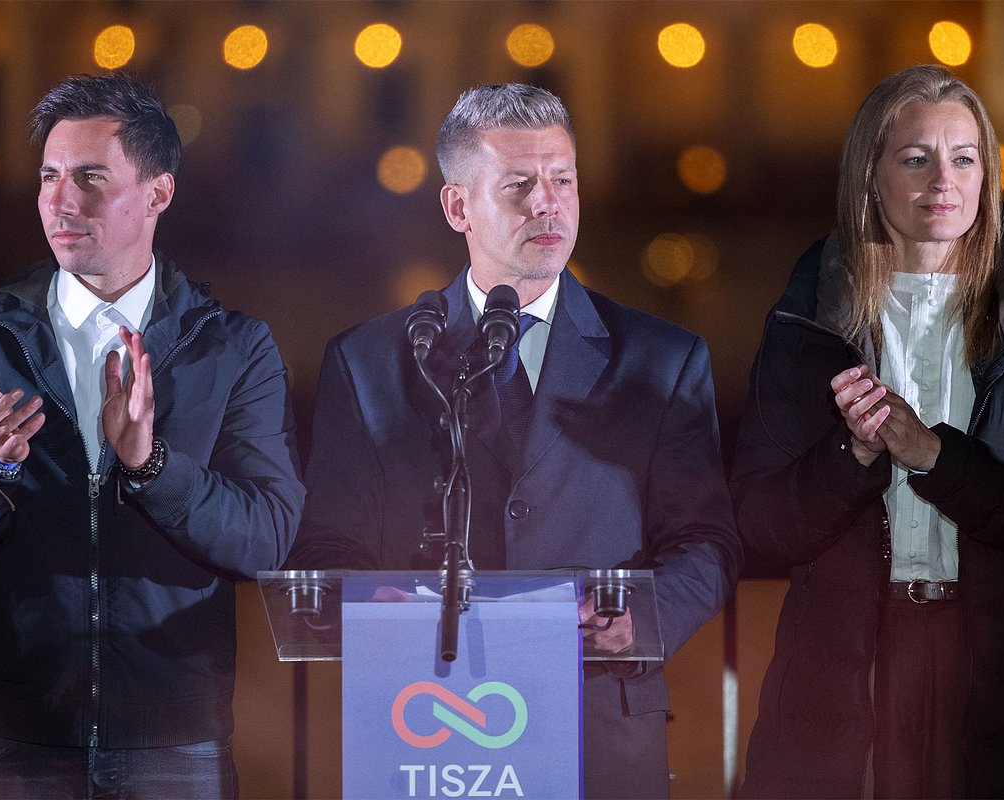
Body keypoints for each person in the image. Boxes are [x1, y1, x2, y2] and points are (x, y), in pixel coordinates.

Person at [290, 83, 741, 799]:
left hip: (600, 725)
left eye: (563, 180)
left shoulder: (662, 358)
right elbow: (327, 545)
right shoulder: (369, 362)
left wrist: (642, 618)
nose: (547, 204)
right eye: (520, 185)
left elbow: (707, 541)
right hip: (427, 727)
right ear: (458, 207)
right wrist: (375, 606)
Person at [0, 72, 305, 798]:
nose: (60, 200)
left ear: (158, 193)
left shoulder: (234, 348)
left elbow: (266, 540)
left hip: (177, 742)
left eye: (90, 177)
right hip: (15, 741)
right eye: (49, 176)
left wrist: (152, 466)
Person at [731, 65, 1004, 799]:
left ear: (988, 176)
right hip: (844, 671)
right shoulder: (806, 326)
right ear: (870, 174)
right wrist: (854, 454)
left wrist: (937, 457)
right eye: (915, 158)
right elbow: (760, 525)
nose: (943, 181)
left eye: (964, 158)